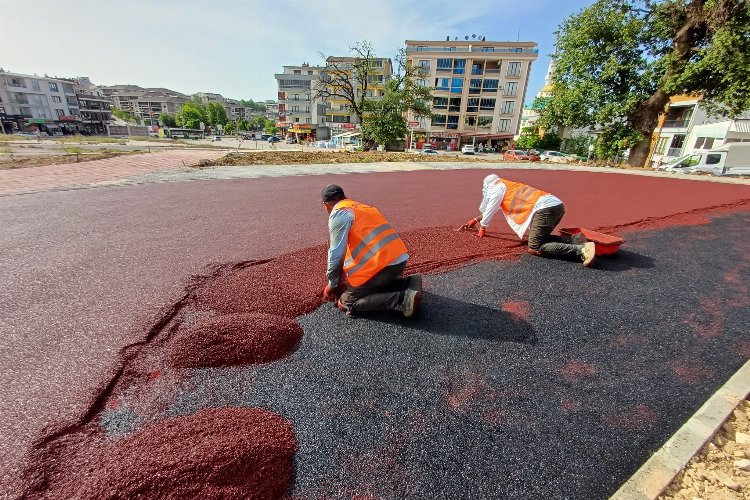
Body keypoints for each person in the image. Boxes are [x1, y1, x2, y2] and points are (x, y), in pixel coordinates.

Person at [321, 184, 422, 318]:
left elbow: (336, 254)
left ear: (326, 205)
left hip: (382, 266)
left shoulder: (339, 213)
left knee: (347, 302)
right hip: (399, 260)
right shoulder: (363, 207)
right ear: (344, 196)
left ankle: (402, 299)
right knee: (370, 286)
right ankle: (408, 283)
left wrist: (332, 285)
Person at [460, 174, 596, 267]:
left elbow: (490, 209)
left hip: (545, 209)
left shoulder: (497, 188)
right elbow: (494, 208)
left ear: (488, 186)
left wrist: (482, 228)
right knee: (540, 238)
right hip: (555, 205)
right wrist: (475, 220)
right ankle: (575, 240)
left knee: (534, 246)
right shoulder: (507, 186)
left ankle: (582, 249)